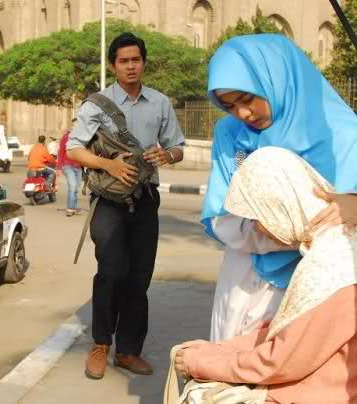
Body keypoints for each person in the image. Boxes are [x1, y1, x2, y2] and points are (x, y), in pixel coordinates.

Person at [201, 34, 357, 341]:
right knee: (229, 368)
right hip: (243, 274)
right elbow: (221, 212)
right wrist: (255, 229)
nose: (242, 114)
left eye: (247, 99)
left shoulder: (343, 134)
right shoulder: (232, 134)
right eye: (229, 106)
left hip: (316, 286)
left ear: (277, 77)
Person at [174, 147, 357, 404]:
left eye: (256, 217)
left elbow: (282, 361)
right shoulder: (333, 245)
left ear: (280, 206)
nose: (257, 230)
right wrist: (221, 350)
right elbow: (290, 336)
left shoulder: (332, 266)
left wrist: (205, 362)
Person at [67, 32, 185, 380]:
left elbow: (178, 146)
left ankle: (129, 351)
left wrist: (167, 155)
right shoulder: (96, 104)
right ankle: (100, 345)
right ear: (113, 65)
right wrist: (109, 165)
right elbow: (74, 149)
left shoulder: (160, 102)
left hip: (146, 200)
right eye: (124, 61)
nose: (131, 66)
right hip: (108, 201)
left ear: (143, 62)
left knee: (138, 278)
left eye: (136, 60)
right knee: (111, 273)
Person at [57, 119, 83, 217]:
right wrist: (59, 168)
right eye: (74, 125)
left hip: (78, 166)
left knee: (76, 187)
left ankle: (73, 207)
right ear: (71, 126)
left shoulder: (82, 138)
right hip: (67, 165)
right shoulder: (66, 137)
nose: (76, 127)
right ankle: (70, 208)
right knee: (72, 186)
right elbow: (61, 152)